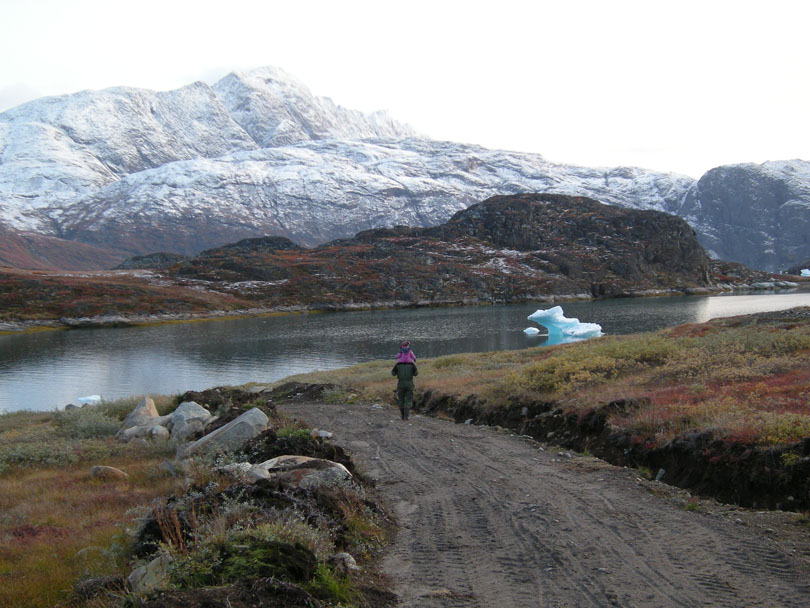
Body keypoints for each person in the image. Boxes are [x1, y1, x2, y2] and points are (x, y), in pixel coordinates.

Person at [391, 349, 418, 421]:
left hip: (400, 385)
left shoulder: (398, 364)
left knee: (401, 400)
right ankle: (406, 417)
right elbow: (416, 374)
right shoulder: (412, 364)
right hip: (409, 385)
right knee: (408, 400)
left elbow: (393, 373)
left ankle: (402, 416)